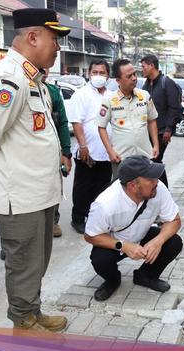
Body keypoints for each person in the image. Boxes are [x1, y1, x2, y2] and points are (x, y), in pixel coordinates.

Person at [0, 8, 71, 333]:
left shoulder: (31, 78)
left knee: (35, 265)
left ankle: (33, 312)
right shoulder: (10, 78)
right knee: (23, 266)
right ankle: (23, 325)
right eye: (54, 40)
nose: (58, 48)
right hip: (19, 197)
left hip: (38, 194)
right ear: (33, 37)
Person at [84, 155, 182, 301]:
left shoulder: (158, 188)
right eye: (150, 179)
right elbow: (90, 235)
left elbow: (175, 220)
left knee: (174, 242)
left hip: (142, 233)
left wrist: (157, 242)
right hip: (116, 241)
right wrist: (123, 246)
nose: (156, 182)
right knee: (100, 260)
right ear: (133, 185)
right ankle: (113, 280)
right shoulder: (105, 204)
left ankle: (145, 276)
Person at [66, 60, 112, 235]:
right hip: (87, 151)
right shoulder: (82, 94)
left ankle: (96, 220)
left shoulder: (112, 95)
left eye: (102, 72)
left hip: (106, 152)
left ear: (108, 75)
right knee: (83, 187)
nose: (98, 76)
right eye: (95, 72)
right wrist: (83, 146)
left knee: (102, 188)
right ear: (89, 73)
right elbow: (77, 122)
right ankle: (78, 218)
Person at [98, 58, 159, 179]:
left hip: (145, 155)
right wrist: (110, 151)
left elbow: (152, 120)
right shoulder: (109, 100)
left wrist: (156, 145)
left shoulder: (144, 96)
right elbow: (101, 127)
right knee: (122, 192)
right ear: (118, 80)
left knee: (146, 190)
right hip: (121, 157)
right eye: (129, 76)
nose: (134, 78)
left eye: (135, 74)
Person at [140, 55, 182, 187]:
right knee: (152, 161)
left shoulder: (167, 83)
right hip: (148, 130)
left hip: (162, 130)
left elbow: (174, 108)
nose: (142, 70)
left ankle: (163, 191)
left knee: (155, 160)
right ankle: (157, 190)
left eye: (144, 66)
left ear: (152, 65)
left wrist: (169, 129)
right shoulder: (145, 84)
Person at [41, 68, 72, 238]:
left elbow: (62, 122)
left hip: (52, 150)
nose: (44, 71)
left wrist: (66, 152)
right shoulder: (19, 87)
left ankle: (53, 220)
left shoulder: (52, 91)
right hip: (26, 153)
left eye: (46, 68)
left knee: (54, 186)